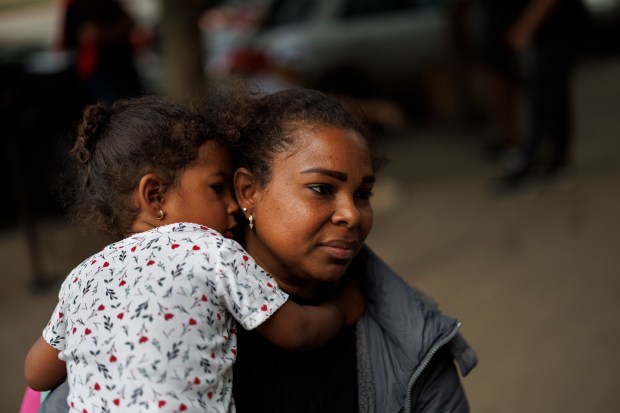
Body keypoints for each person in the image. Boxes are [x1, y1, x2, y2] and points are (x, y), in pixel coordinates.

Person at [37, 87, 477, 413]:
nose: (352, 215)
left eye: (363, 195)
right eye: (322, 189)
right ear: (247, 190)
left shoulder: (413, 344)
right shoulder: (211, 254)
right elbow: (299, 332)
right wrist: (342, 312)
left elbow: (37, 374)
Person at [477, 0, 588, 187]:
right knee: (552, 94)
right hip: (546, 31)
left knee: (544, 94)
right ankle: (554, 158)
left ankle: (535, 159)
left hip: (559, 27)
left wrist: (526, 26)